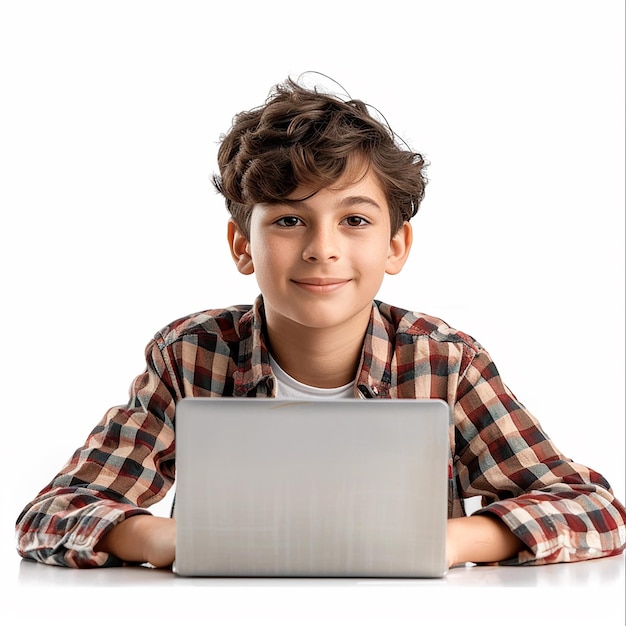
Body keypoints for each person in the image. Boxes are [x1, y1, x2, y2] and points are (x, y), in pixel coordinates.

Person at [16, 76, 626, 570]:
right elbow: (53, 512)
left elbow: (593, 508)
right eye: (288, 220)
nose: (321, 249)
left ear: (396, 245)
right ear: (242, 245)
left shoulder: (444, 360)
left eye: (355, 220)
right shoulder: (190, 356)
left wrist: (449, 541)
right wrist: (164, 539)